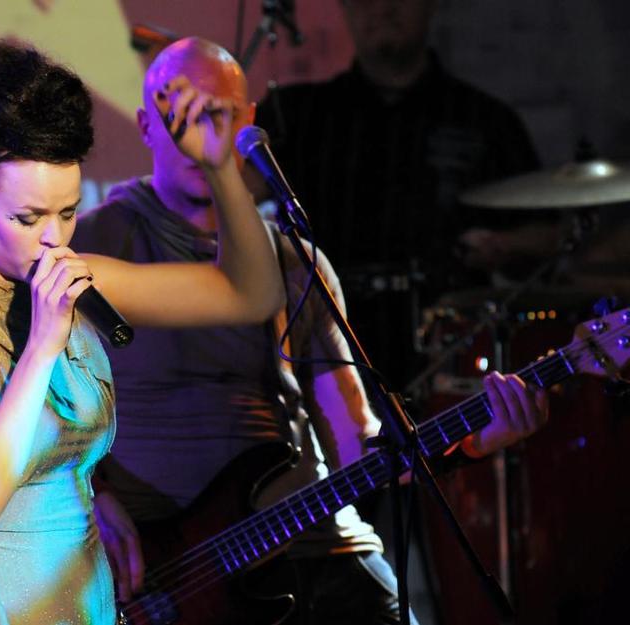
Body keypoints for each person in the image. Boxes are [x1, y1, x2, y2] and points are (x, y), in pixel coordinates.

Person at [72, 37, 548, 625]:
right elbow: (32, 410)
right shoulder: (93, 244)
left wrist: (476, 441)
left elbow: (356, 445)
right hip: (177, 573)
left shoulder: (294, 261)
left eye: (216, 114)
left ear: (248, 123)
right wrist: (90, 496)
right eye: (181, 115)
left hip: (318, 538)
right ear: (146, 126)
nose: (200, 134)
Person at [0, 39, 285, 625]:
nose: (53, 237)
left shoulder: (79, 282)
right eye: (27, 218)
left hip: (88, 600)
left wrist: (221, 168)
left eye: (67, 213)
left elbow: (252, 295)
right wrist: (42, 348)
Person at [254, 0, 560, 388]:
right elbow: (233, 207)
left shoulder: (485, 119)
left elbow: (547, 236)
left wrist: (505, 245)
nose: (383, 9)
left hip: (449, 359)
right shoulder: (297, 114)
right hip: (322, 354)